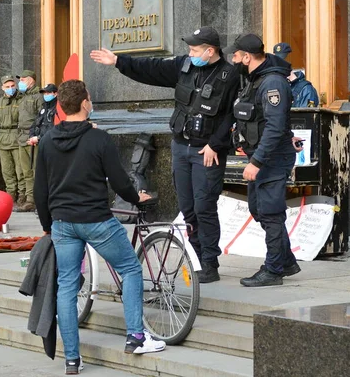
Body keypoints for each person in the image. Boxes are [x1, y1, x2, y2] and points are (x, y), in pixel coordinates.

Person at [34, 79, 166, 374]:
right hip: (96, 220)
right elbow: (120, 181)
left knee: (66, 286)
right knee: (130, 269)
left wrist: (47, 225)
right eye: (90, 98)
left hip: (63, 224)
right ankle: (135, 336)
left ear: (60, 106)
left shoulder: (46, 141)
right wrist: (137, 198)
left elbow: (39, 191)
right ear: (84, 103)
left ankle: (71, 359)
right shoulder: (99, 139)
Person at [91, 26, 239, 284]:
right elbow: (152, 68)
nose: (190, 53)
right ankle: (196, 256)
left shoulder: (229, 75)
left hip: (207, 151)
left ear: (210, 51)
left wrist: (216, 144)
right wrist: (118, 62)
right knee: (187, 208)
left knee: (205, 207)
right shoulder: (184, 66)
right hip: (181, 147)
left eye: (194, 49)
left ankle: (210, 263)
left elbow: (231, 115)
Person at [228, 33, 301, 287]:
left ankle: (274, 269)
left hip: (271, 158)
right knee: (258, 209)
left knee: (270, 213)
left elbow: (274, 126)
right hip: (261, 156)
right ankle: (287, 260)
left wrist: (256, 162)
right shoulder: (255, 80)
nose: (233, 59)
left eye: (236, 55)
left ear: (247, 57)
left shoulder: (272, 83)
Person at [0, 75, 25, 207]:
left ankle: (22, 195)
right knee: (7, 170)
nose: (10, 88)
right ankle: (10, 195)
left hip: (17, 136)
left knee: (20, 169)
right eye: (7, 87)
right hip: (3, 137)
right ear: (2, 88)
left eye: (13, 86)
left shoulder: (21, 100)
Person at [16, 70, 43, 212]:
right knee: (25, 171)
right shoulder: (22, 97)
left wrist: (37, 135)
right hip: (21, 137)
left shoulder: (39, 96)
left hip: (33, 137)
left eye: (23, 79)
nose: (20, 82)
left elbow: (41, 118)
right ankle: (29, 199)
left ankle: (37, 199)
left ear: (31, 80)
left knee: (36, 170)